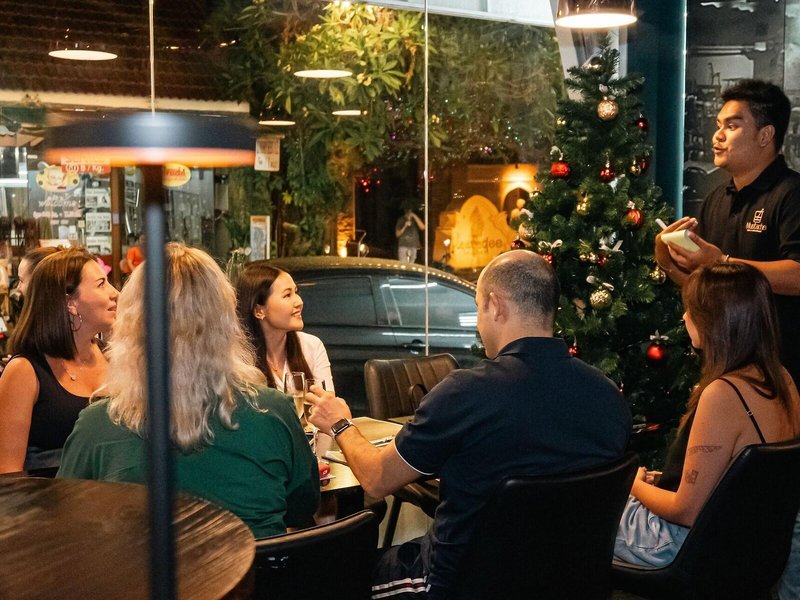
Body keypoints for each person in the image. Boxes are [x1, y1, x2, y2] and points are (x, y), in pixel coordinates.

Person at [306, 250, 631, 598]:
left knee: (332, 577)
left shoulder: (465, 393)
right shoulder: (608, 396)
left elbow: (376, 479)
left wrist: (340, 423)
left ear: (495, 305)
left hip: (454, 583)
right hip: (568, 582)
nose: (478, 322)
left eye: (478, 307)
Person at [57, 244, 319, 539]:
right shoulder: (274, 411)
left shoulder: (96, 427)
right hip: (256, 568)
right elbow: (303, 507)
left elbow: (66, 527)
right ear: (226, 322)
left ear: (131, 327)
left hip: (141, 569)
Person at [614, 262, 800, 567]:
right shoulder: (784, 379)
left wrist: (631, 483)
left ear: (715, 321)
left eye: (691, 310)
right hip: (750, 539)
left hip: (689, 544)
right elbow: (733, 481)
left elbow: (686, 511)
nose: (684, 317)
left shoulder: (723, 393)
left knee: (583, 510)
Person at [655, 80, 800, 389]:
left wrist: (721, 261)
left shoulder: (791, 194)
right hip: (723, 366)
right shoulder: (716, 198)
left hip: (782, 368)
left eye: (732, 126)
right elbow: (705, 287)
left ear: (765, 135)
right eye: (718, 125)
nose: (717, 136)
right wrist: (668, 261)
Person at [0, 248, 118, 473]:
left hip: (113, 493)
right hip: (48, 494)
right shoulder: (24, 371)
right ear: (70, 303)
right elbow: (7, 473)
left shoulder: (114, 357)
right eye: (101, 284)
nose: (114, 293)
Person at [236, 261, 334, 394]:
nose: (299, 302)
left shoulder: (311, 346)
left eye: (296, 292)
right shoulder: (239, 358)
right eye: (287, 295)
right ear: (259, 311)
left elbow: (328, 404)